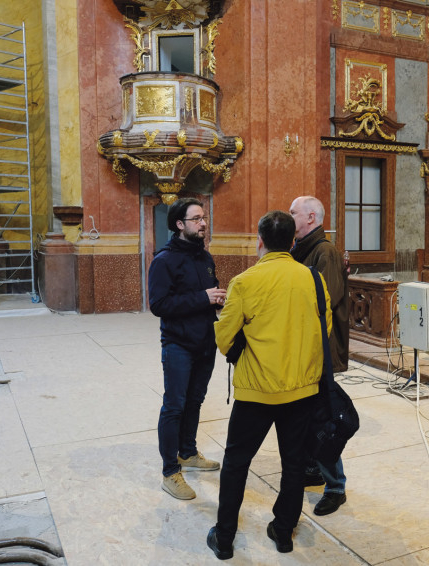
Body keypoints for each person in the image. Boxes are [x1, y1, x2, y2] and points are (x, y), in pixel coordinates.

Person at [207, 210, 332, 560]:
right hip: (301, 390)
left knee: (236, 462)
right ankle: (283, 531)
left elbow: (224, 337)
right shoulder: (313, 279)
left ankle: (225, 538)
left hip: (256, 391)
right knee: (294, 463)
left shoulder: (245, 282)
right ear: (292, 241)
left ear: (259, 241)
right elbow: (325, 331)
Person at [148, 198, 226, 500]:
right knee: (174, 406)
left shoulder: (204, 257)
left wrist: (217, 299)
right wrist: (203, 298)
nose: (203, 223)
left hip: (205, 340)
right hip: (178, 344)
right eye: (196, 219)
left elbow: (207, 292)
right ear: (179, 224)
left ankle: (188, 453)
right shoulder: (164, 260)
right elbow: (159, 305)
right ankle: (170, 472)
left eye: (204, 217)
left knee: (195, 401)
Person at [289, 196, 349, 516]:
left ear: (310, 217)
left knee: (323, 419)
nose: (290, 217)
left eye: (293, 212)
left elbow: (325, 300)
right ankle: (313, 469)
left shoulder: (324, 252)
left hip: (320, 348)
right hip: (305, 346)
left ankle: (336, 487)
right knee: (307, 415)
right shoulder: (300, 249)